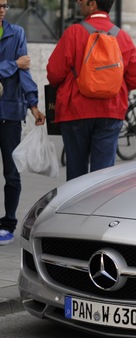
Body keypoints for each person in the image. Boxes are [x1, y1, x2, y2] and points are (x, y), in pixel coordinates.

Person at [47, 0, 136, 181]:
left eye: (82, 0)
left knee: (76, 174)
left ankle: (76, 208)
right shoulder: (123, 37)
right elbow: (135, 80)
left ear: (93, 5)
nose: (78, 2)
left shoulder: (73, 33)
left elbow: (53, 73)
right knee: (103, 177)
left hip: (75, 110)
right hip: (111, 111)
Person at [0, 0, 46, 245]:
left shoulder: (16, 33)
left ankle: (8, 223)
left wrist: (33, 105)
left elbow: (24, 73)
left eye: (5, 6)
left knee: (12, 172)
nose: (2, 10)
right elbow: (18, 66)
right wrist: (13, 64)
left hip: (10, 112)